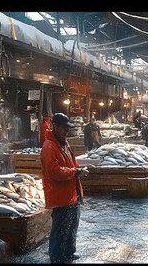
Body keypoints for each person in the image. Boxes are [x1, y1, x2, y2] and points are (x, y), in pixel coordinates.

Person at [40, 113, 89, 264]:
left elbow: (69, 165)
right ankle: (57, 257)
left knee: (72, 226)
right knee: (60, 229)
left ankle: (68, 252)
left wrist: (77, 171)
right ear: (55, 127)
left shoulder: (64, 143)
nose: (67, 131)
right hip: (61, 195)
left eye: (68, 128)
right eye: (64, 128)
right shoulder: (49, 146)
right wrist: (75, 172)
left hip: (72, 192)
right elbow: (54, 171)